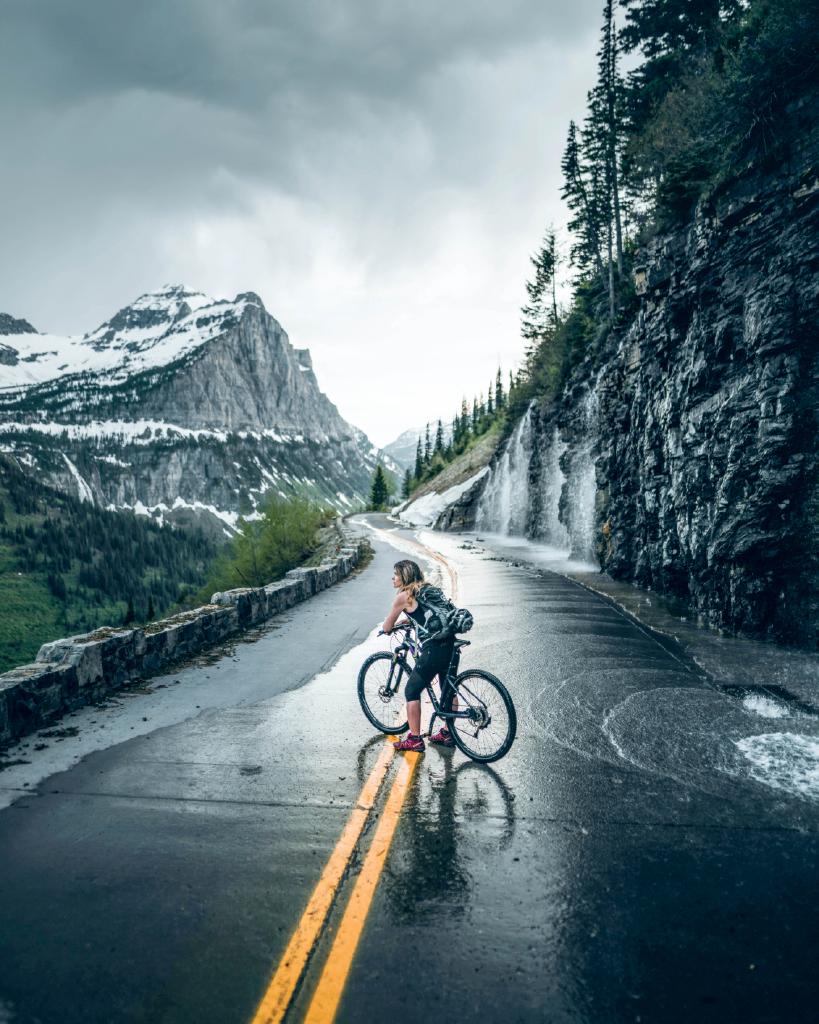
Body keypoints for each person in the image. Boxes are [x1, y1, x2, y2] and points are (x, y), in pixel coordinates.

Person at [381, 559, 456, 752]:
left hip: (434, 649)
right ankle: (448, 733)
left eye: (396, 574)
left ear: (404, 577)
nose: (393, 578)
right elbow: (427, 614)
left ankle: (414, 739)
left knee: (412, 691)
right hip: (450, 643)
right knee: (448, 689)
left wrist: (390, 627)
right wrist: (409, 620)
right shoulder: (427, 590)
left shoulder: (403, 597)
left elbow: (387, 627)